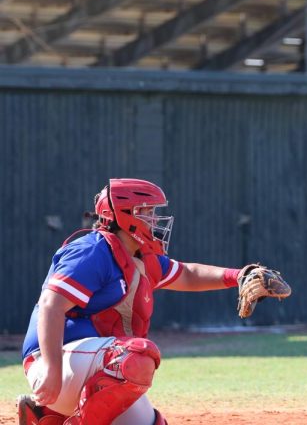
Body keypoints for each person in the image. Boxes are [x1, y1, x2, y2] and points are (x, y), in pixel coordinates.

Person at [17, 178, 288, 425]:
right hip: (54, 361)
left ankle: (46, 418)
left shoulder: (139, 256)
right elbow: (51, 306)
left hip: (92, 366)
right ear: (123, 215)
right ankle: (57, 412)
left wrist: (238, 275)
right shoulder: (91, 251)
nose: (154, 218)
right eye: (146, 212)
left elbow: (187, 274)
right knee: (139, 356)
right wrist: (51, 370)